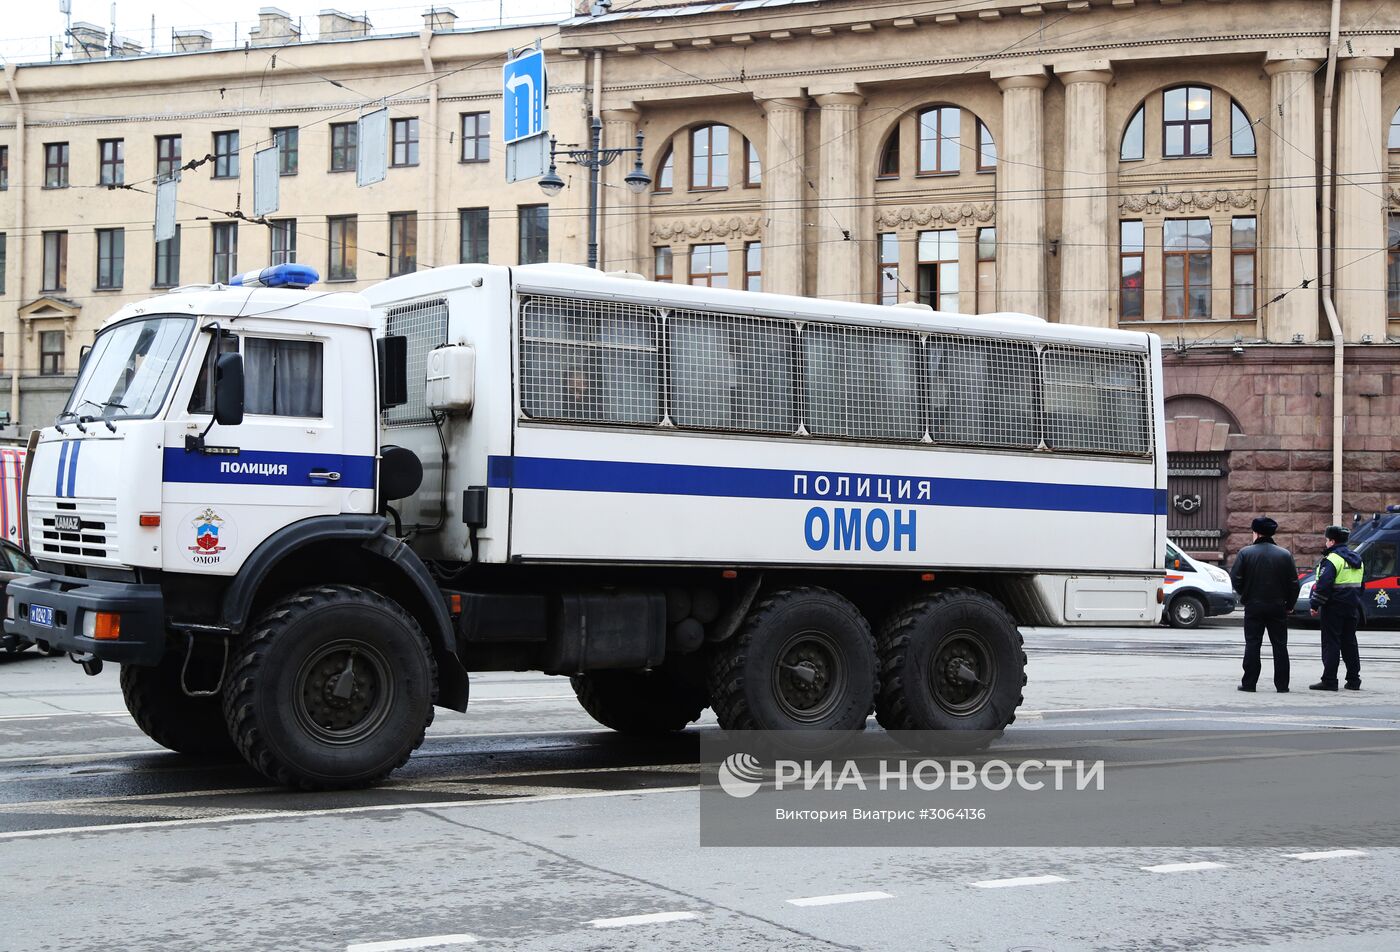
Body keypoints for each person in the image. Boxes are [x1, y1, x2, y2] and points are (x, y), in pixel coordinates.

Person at [1229, 516, 1300, 693]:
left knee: (1252, 644)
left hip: (1253, 605)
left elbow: (1235, 579)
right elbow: (1293, 584)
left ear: (1256, 533)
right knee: (1280, 645)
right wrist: (1289, 604)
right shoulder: (1284, 554)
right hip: (1278, 606)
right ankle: (1282, 685)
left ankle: (1249, 683)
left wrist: (1245, 594)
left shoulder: (1246, 553)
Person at [1309, 525, 1363, 691]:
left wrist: (1315, 605)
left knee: (1331, 643)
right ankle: (1354, 680)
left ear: (1332, 541)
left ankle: (1329, 680)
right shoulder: (1357, 559)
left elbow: (1324, 585)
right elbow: (1361, 586)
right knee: (1349, 643)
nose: (1325, 543)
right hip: (1352, 607)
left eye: (1326, 540)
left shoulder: (1332, 559)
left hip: (1333, 608)